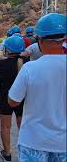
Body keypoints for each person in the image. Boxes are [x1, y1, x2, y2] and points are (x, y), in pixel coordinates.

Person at [8, 13, 67, 162]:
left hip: (33, 142)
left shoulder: (29, 69)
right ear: (64, 39)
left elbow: (13, 101)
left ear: (39, 40)